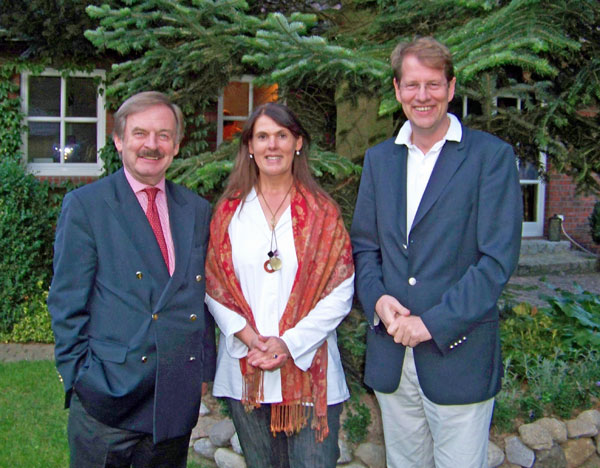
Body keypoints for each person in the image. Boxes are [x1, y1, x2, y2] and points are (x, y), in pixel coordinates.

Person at [351, 37, 523, 468]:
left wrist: (433, 323)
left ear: (450, 88)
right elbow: (365, 248)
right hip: (392, 354)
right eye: (411, 85)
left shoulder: (491, 158)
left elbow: (496, 261)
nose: (421, 96)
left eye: (432, 84)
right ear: (396, 90)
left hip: (457, 354)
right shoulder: (378, 160)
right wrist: (377, 300)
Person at [48, 91, 216, 468]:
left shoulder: (196, 209)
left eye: (163, 135)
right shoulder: (87, 206)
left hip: (172, 402)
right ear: (119, 140)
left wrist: (202, 370)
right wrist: (81, 378)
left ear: (176, 145)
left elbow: (197, 296)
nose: (151, 145)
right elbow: (66, 302)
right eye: (140, 133)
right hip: (108, 403)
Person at [205, 102, 354, 468]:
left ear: (297, 143)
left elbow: (341, 288)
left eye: (282, 136)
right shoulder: (230, 212)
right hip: (246, 367)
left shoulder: (323, 212)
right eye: (262, 137)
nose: (272, 146)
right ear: (250, 148)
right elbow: (213, 283)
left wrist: (288, 344)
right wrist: (248, 336)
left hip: (309, 365)